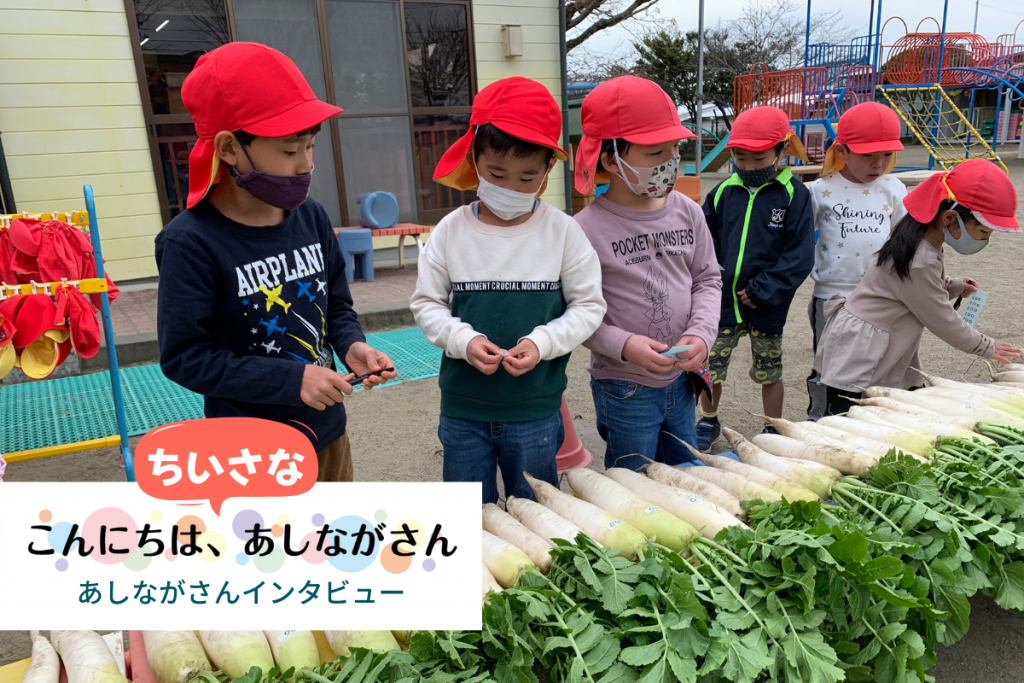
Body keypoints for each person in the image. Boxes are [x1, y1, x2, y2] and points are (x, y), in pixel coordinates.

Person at [155, 43, 397, 482]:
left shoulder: (312, 216)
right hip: (251, 452)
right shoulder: (190, 242)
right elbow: (185, 358)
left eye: (310, 146)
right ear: (229, 148)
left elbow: (336, 306)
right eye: (290, 151)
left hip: (328, 431)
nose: (306, 165)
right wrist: (289, 381)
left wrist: (351, 345)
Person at [410, 77, 606, 505]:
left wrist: (542, 343)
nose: (511, 187)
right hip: (463, 409)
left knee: (535, 514)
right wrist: (464, 339)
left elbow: (589, 305)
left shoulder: (563, 232)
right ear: (474, 157)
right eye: (497, 174)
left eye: (527, 177)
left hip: (534, 409)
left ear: (548, 170)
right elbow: (427, 303)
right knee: (468, 516)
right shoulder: (451, 231)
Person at [572, 76, 721, 471]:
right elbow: (575, 314)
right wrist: (624, 345)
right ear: (610, 159)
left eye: (675, 148)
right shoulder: (584, 229)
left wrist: (701, 334)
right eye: (656, 151)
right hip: (624, 386)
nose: (671, 161)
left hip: (683, 378)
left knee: (686, 474)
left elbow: (707, 279)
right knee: (634, 479)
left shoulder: (687, 210)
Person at [813, 159, 1022, 416]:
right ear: (949, 218)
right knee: (850, 418)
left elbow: (913, 290)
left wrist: (952, 286)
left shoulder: (917, 239)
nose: (984, 240)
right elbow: (941, 318)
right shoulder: (920, 259)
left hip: (876, 341)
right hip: (864, 351)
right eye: (982, 231)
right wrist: (985, 345)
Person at [695, 106, 815, 450]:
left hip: (768, 304)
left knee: (769, 369)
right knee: (710, 365)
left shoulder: (794, 194)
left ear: (781, 150)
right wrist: (710, 281)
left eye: (758, 157)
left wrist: (765, 288)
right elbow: (704, 243)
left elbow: (800, 254)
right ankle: (708, 420)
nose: (748, 166)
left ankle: (772, 425)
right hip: (722, 302)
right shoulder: (721, 193)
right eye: (740, 157)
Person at [806, 102, 908, 420]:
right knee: (830, 363)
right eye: (868, 155)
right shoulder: (820, 190)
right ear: (843, 150)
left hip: (879, 296)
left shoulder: (893, 188)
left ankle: (869, 421)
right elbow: (798, 239)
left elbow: (905, 240)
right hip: (833, 295)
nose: (878, 163)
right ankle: (820, 421)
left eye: (887, 155)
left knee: (876, 361)